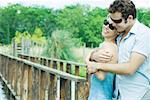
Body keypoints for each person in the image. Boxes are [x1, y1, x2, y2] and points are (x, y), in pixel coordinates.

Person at [86, 0, 150, 100]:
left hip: (138, 95)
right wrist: (93, 55)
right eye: (111, 20)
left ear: (129, 18)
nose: (113, 25)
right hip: (118, 95)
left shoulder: (144, 34)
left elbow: (130, 68)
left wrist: (96, 65)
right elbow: (104, 47)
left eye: (116, 21)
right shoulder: (119, 33)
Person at [87, 18, 118, 100]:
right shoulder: (105, 44)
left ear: (117, 31)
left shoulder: (110, 47)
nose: (106, 27)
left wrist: (89, 63)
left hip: (101, 95)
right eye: (106, 22)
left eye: (111, 26)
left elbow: (101, 76)